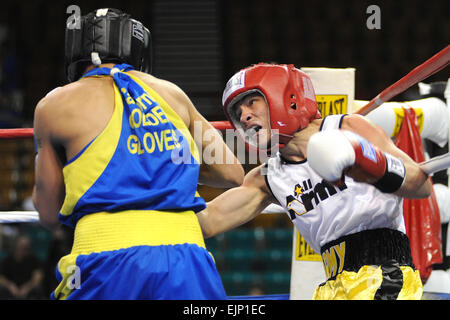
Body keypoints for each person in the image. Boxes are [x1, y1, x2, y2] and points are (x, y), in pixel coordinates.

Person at [32, 8, 243, 300]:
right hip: (186, 258)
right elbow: (232, 172)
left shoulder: (52, 106)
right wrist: (161, 164)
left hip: (101, 257)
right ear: (138, 48)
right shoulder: (173, 94)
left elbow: (47, 213)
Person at [197, 63, 432, 300]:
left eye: (251, 103)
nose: (244, 116)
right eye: (237, 113)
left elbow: (421, 185)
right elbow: (209, 221)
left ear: (287, 98)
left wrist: (369, 161)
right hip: (333, 286)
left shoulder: (347, 127)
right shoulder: (268, 177)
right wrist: (170, 177)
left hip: (385, 274)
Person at [0, 235, 44, 299]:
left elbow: (37, 278)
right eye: (22, 247)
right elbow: (1, 277)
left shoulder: (34, 260)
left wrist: (26, 288)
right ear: (16, 246)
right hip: (11, 289)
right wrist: (10, 286)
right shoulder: (7, 260)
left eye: (26, 248)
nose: (24, 250)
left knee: (38, 289)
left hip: (28, 289)